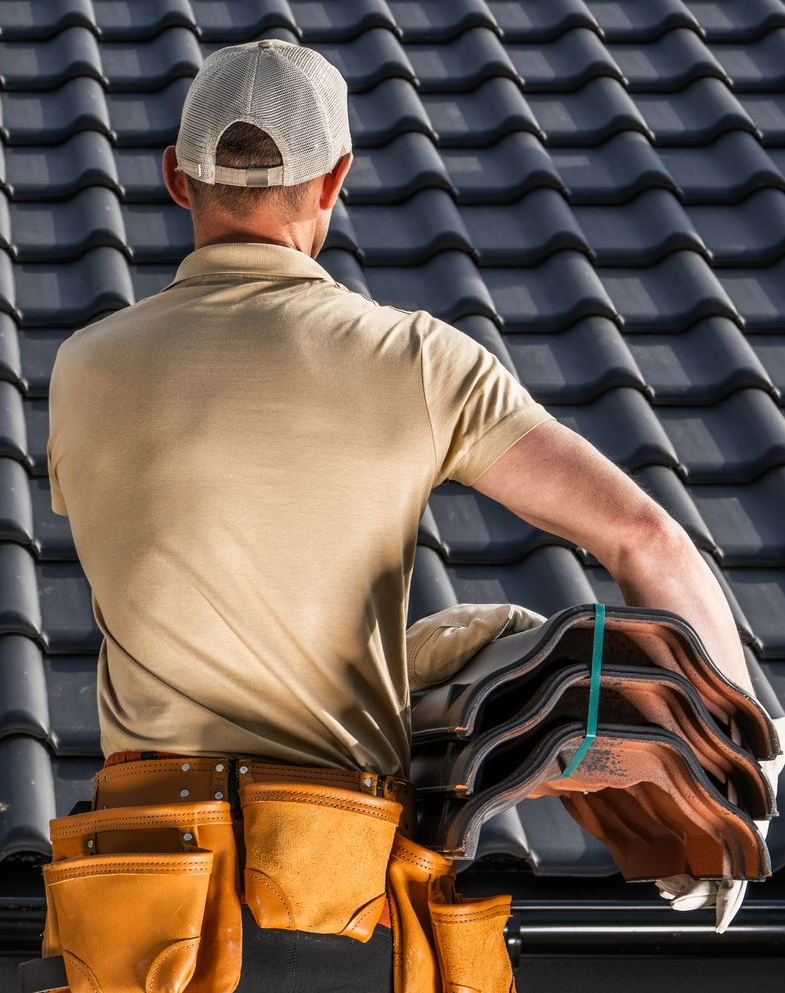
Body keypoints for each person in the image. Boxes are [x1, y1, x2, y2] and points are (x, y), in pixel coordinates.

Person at [42, 38, 765, 992]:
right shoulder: (417, 360)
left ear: (177, 179)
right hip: (330, 905)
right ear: (334, 178)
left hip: (141, 915)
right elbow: (645, 538)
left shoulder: (83, 368)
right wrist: (735, 787)